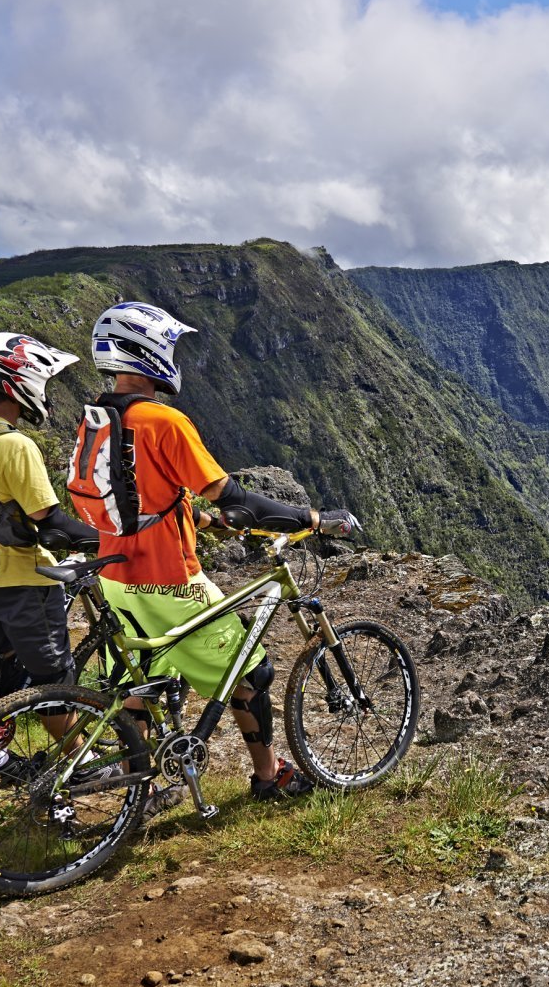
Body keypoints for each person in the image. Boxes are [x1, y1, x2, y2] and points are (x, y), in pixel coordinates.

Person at [80, 301, 360, 806]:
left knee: (144, 682)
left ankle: (137, 790)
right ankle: (270, 776)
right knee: (251, 673)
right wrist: (312, 519)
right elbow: (232, 496)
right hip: (168, 580)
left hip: (115, 577)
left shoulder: (98, 417)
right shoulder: (164, 421)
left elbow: (137, 497)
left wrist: (204, 522)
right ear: (147, 352)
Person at [0, 332, 98, 778]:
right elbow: (49, 521)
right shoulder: (15, 445)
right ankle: (83, 766)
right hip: (22, 579)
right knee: (53, 680)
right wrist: (108, 542)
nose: (44, 392)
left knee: (1, 675)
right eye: (42, 381)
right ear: (19, 382)